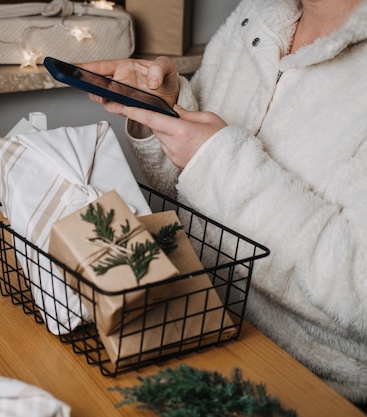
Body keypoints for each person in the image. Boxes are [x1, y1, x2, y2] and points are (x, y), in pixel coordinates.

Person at [82, 0, 367, 405]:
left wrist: (214, 156)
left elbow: (357, 289)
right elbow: (188, 188)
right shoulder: (257, 13)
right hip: (193, 317)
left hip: (306, 384)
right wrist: (167, 108)